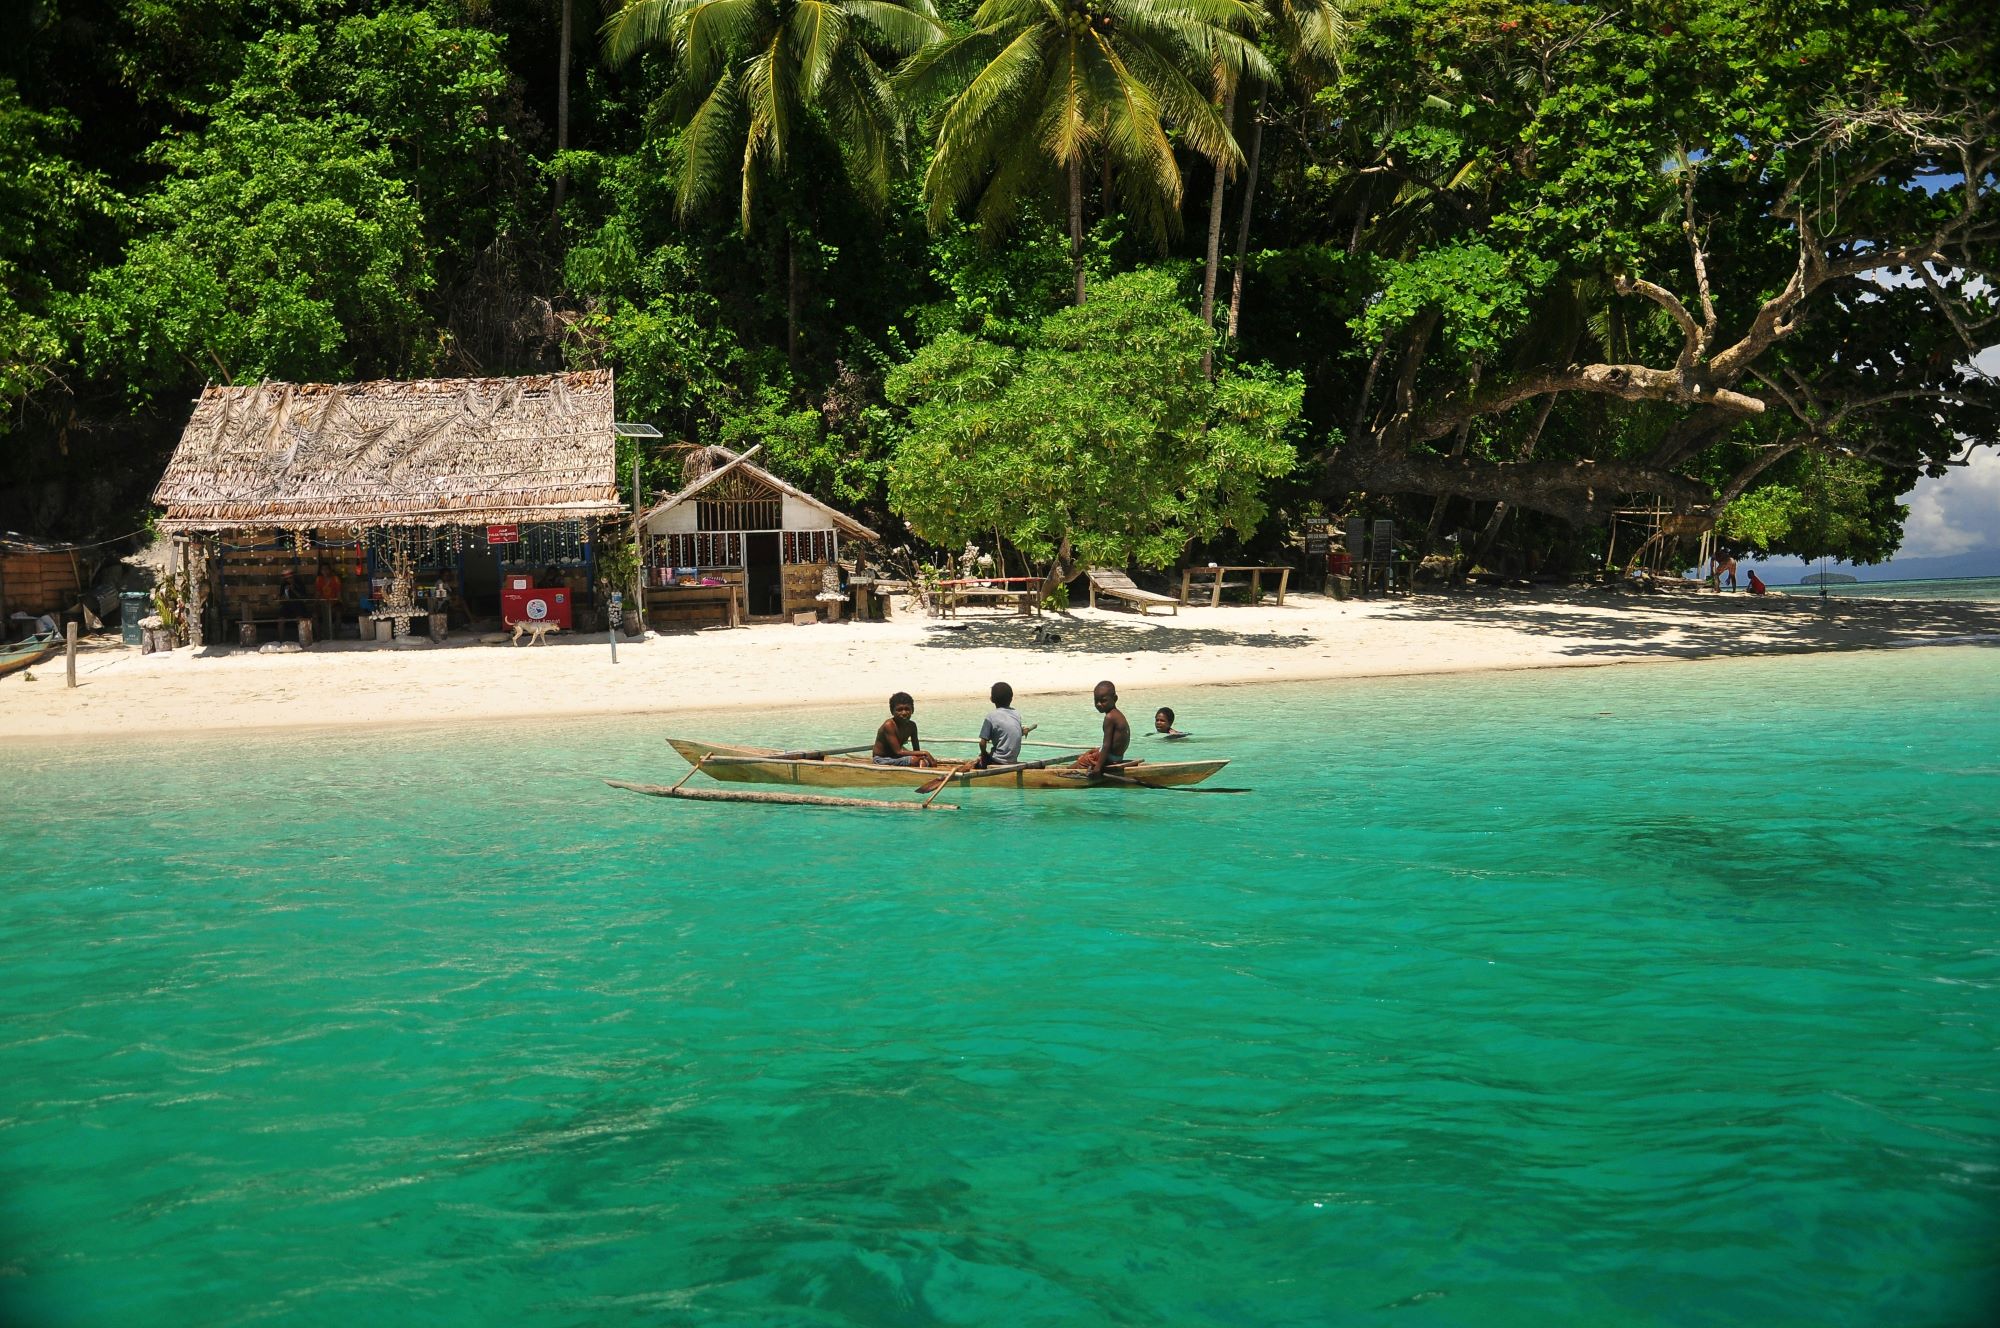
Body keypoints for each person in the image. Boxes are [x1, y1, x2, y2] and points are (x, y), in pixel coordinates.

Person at [1075, 680, 1132, 776]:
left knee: (1080, 762)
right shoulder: (1118, 714)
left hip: (1110, 759)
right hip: (1117, 757)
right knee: (1090, 752)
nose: (1098, 704)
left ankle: (1063, 771)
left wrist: (1098, 768)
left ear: (1115, 699)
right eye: (1096, 700)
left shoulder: (1109, 717)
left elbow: (1106, 745)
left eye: (1103, 701)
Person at [873, 692, 938, 767]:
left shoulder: (912, 726)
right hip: (882, 759)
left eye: (907, 709)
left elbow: (916, 750)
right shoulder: (889, 725)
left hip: (896, 756)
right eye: (899, 710)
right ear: (892, 711)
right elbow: (898, 752)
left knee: (923, 760)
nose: (904, 713)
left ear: (912, 710)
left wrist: (923, 757)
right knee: (915, 760)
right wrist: (925, 753)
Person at [976, 682, 1026, 769]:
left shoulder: (990, 717)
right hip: (1013, 760)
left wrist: (984, 753)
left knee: (979, 761)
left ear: (992, 699)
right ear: (1011, 699)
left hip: (997, 761)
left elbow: (982, 743)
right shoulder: (1016, 714)